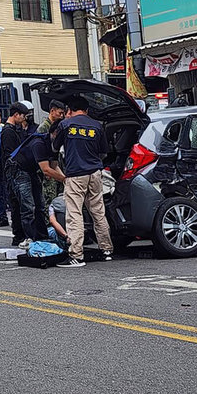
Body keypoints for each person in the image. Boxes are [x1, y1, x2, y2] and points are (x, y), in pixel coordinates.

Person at [52, 96, 114, 268]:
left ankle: (76, 255)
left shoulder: (66, 125)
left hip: (75, 174)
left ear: (70, 110)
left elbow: (54, 147)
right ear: (87, 110)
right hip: (95, 173)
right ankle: (106, 250)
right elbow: (104, 152)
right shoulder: (97, 126)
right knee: (98, 212)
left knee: (74, 214)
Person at [5, 120, 66, 246]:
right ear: (54, 133)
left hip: (31, 170)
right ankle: (31, 238)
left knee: (40, 205)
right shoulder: (39, 143)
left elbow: (54, 166)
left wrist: (65, 178)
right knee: (28, 206)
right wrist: (66, 180)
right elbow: (46, 169)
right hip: (19, 169)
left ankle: (43, 237)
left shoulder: (54, 146)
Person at [0, 102, 29, 246]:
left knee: (18, 205)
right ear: (16, 115)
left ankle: (19, 234)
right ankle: (18, 235)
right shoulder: (8, 131)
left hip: (14, 173)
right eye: (23, 116)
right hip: (13, 173)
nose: (24, 119)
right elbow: (11, 155)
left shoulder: (13, 129)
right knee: (17, 206)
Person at [37, 99, 67, 210]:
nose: (62, 115)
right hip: (47, 168)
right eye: (60, 113)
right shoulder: (43, 128)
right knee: (49, 198)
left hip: (56, 165)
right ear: (52, 111)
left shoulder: (58, 126)